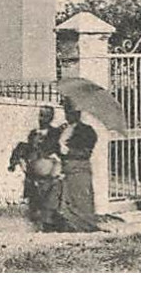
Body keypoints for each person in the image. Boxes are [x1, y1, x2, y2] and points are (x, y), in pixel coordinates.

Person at [7, 106, 63, 231]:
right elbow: (27, 150)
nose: (41, 119)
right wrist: (17, 162)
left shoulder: (55, 133)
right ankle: (36, 226)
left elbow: (57, 150)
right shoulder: (33, 134)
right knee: (34, 201)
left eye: (45, 116)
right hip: (34, 173)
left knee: (48, 201)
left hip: (48, 172)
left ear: (51, 118)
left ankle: (48, 225)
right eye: (40, 115)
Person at [51, 98, 102, 232]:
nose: (69, 115)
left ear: (79, 113)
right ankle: (67, 226)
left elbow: (86, 151)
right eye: (67, 112)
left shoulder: (87, 131)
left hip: (79, 169)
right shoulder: (63, 129)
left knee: (81, 201)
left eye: (73, 112)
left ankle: (84, 226)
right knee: (64, 200)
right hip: (65, 168)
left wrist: (69, 151)